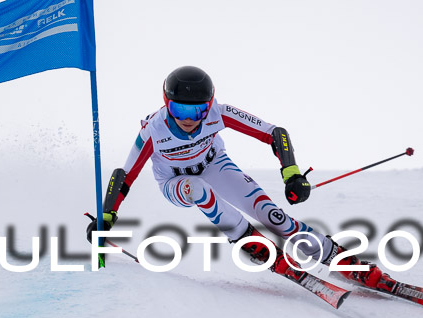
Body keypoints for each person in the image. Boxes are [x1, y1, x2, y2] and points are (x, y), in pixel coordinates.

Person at [87, 65, 394, 292]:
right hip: (176, 182)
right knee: (198, 188)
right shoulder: (154, 130)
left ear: (209, 104)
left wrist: (292, 174)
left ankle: (337, 257)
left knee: (273, 216)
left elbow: (275, 133)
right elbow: (125, 174)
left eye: (198, 110)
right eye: (180, 109)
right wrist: (106, 215)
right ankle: (246, 237)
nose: (189, 119)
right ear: (167, 104)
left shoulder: (219, 113)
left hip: (215, 164)